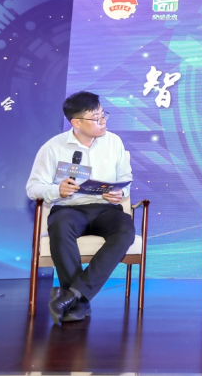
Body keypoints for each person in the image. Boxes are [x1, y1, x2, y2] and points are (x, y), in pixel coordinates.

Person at [26, 91, 134, 324]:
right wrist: (57, 190)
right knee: (60, 226)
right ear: (76, 122)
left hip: (105, 208)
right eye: (96, 118)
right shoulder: (53, 147)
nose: (103, 121)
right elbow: (33, 188)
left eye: (103, 115)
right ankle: (78, 301)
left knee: (125, 230)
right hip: (69, 209)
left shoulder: (114, 141)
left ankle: (71, 296)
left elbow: (125, 178)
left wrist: (120, 193)